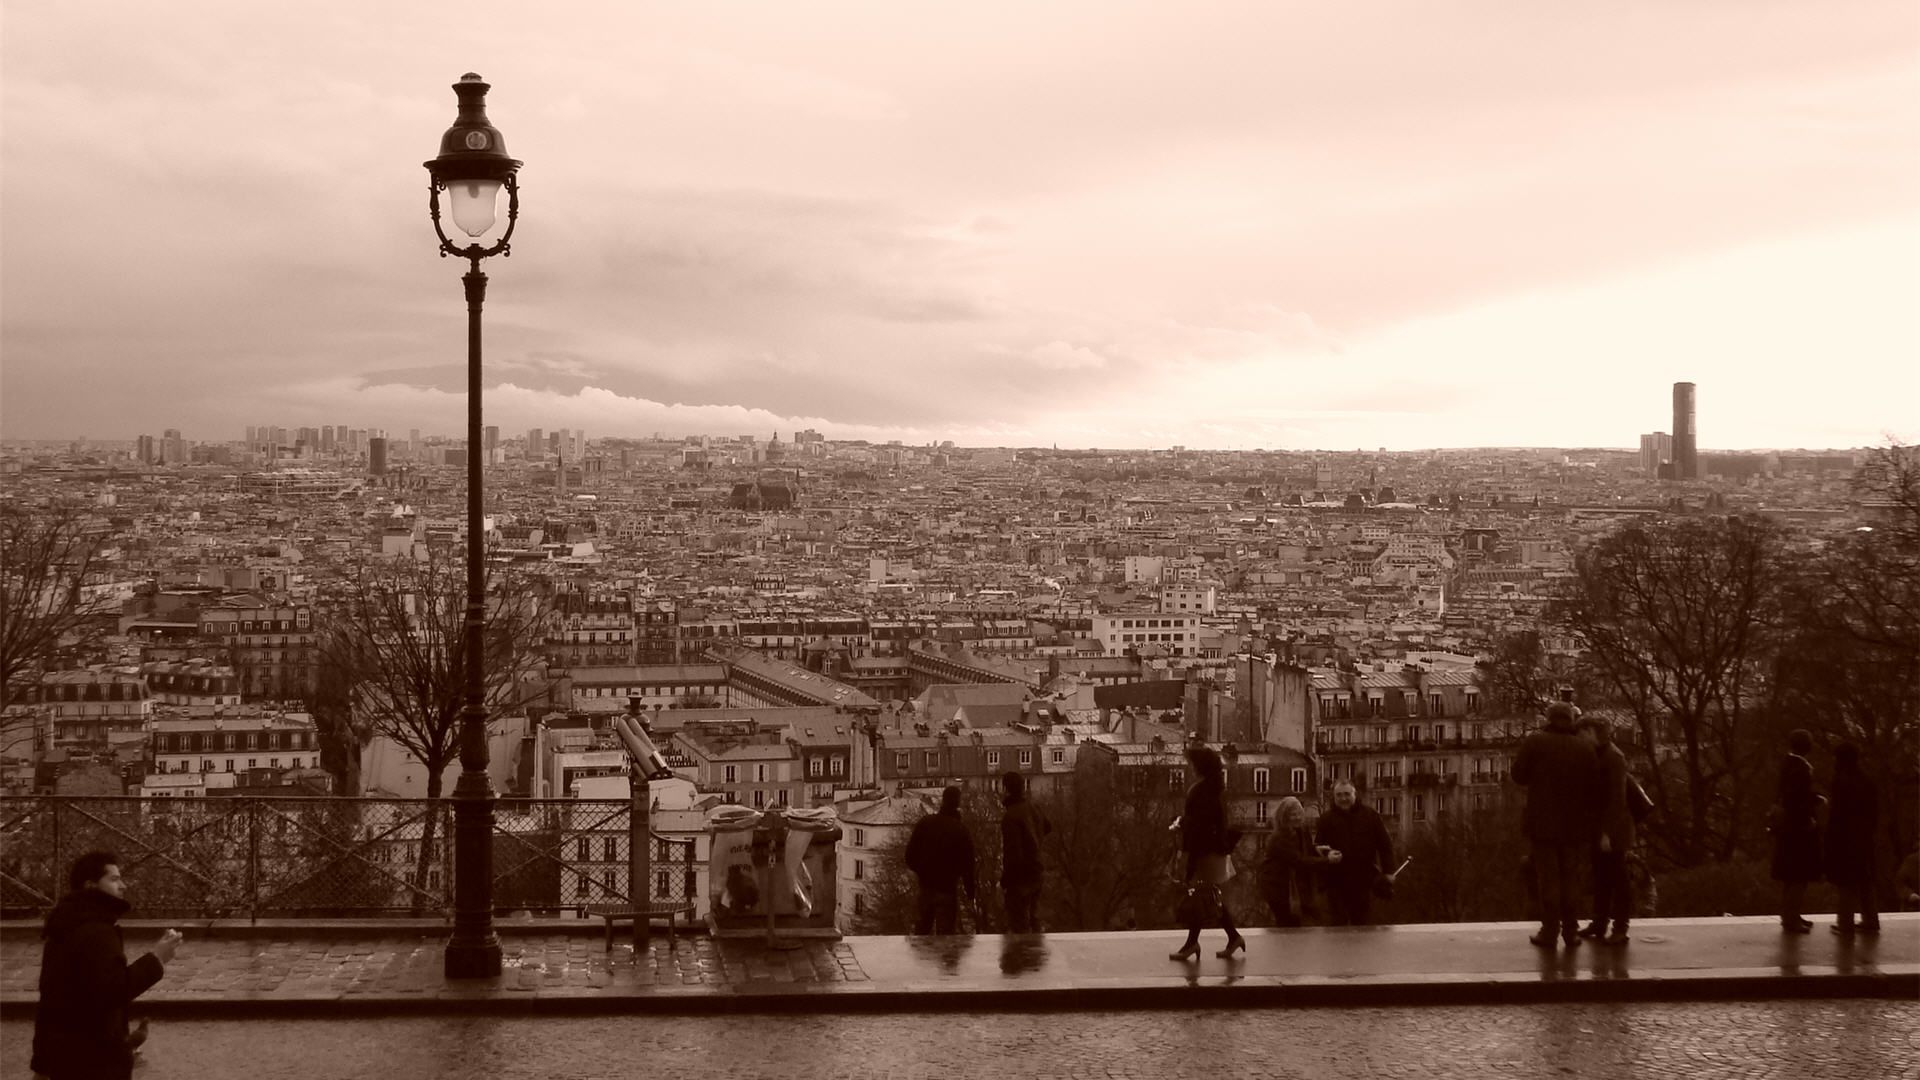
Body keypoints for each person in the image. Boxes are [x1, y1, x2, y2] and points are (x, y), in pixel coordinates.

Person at [31, 851, 181, 1080]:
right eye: (114, 879)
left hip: (66, 1059)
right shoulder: (96, 931)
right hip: (95, 1060)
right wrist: (157, 958)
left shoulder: (65, 924)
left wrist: (42, 1066)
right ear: (91, 887)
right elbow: (113, 989)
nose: (123, 885)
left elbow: (50, 1001)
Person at [1511, 701, 1599, 949]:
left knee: (1548, 878)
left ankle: (1550, 930)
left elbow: (1519, 775)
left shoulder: (1535, 742)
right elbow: (1594, 789)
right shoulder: (1585, 748)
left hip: (1543, 822)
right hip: (1575, 825)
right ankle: (1571, 931)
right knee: (1571, 877)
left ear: (1549, 719)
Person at [1170, 744, 1246, 960]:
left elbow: (1198, 825)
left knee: (1202, 897)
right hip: (1215, 849)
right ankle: (1230, 938)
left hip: (1204, 852)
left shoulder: (1199, 791)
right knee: (1209, 897)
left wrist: (1180, 824)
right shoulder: (1215, 788)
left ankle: (1194, 944)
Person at [1577, 718, 1636, 945]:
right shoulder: (1603, 754)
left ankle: (1619, 927)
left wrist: (1606, 833)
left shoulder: (1612, 757)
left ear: (1590, 731)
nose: (1579, 739)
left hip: (1612, 830)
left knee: (1618, 879)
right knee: (1602, 877)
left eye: (1581, 733)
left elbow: (1616, 800)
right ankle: (1600, 922)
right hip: (1603, 828)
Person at [1314, 780, 1395, 927]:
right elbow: (1317, 847)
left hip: (1363, 880)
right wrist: (1327, 855)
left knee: (1362, 924)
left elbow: (1385, 845)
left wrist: (1389, 872)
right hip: (1336, 881)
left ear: (1355, 794)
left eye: (1347, 794)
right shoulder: (1326, 819)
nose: (1343, 798)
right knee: (1338, 925)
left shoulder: (1371, 816)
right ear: (1334, 797)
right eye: (1339, 795)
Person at [1824, 743, 1880, 936]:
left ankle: (1845, 924)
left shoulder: (1841, 781)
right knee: (1865, 880)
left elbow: (1837, 815)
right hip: (1864, 838)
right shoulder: (1867, 780)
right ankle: (1871, 920)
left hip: (1845, 839)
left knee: (1846, 883)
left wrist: (1830, 839)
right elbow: (1874, 813)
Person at [905, 785, 976, 935]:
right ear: (958, 803)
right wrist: (970, 892)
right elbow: (968, 865)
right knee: (946, 938)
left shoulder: (925, 823)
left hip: (925, 887)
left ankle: (923, 959)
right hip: (948, 888)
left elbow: (910, 856)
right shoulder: (961, 830)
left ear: (942, 801)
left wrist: (922, 872)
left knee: (921, 935)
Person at [1769, 729, 1822, 934]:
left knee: (1791, 877)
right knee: (1799, 876)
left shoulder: (1788, 764)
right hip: (1798, 831)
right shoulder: (1801, 769)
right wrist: (1809, 814)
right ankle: (1792, 918)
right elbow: (1797, 799)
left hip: (1787, 830)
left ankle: (1790, 915)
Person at [1258, 795, 1328, 927]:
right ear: (1284, 817)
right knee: (1287, 921)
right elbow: (1299, 861)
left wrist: (1317, 849)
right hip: (1277, 887)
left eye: (1299, 814)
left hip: (1293, 885)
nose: (1297, 818)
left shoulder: (1301, 829)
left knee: (1297, 920)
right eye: (1292, 815)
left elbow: (1304, 849)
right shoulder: (1278, 838)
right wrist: (1327, 860)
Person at [998, 771, 1050, 934]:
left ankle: (1023, 958)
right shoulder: (1033, 807)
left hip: (1020, 879)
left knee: (1019, 925)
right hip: (1037, 871)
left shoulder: (1010, 816)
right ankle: (1035, 956)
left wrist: (1005, 881)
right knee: (1034, 920)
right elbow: (1048, 826)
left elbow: (1013, 854)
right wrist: (1035, 842)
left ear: (1006, 789)